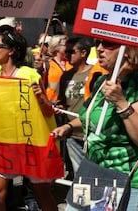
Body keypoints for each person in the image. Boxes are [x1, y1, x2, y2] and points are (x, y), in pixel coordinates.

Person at [53, 40, 138, 210]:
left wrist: (121, 102)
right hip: (93, 170)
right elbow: (93, 117)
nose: (100, 48)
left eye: (108, 44)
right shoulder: (103, 80)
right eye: (98, 43)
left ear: (127, 50)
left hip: (130, 178)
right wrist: (69, 127)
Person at [0, 31, 58, 211]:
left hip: (32, 143)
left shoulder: (29, 75)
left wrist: (41, 97)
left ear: (11, 50)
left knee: (42, 193)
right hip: (6, 142)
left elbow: (48, 112)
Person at [55, 37, 93, 179]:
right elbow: (62, 101)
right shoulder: (65, 76)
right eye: (66, 51)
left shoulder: (95, 74)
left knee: (94, 173)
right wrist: (59, 107)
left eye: (71, 51)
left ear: (83, 53)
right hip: (72, 133)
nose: (67, 55)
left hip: (90, 133)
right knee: (80, 175)